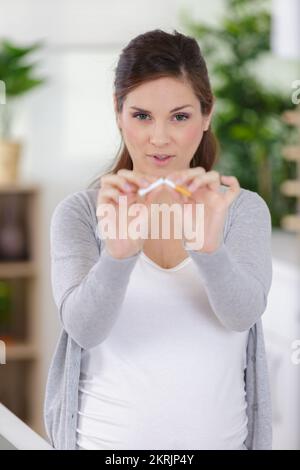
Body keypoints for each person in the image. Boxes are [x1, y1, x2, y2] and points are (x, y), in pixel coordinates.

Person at [44, 29, 273, 450]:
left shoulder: (241, 210)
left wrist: (209, 249)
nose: (160, 137)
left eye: (180, 117)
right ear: (118, 112)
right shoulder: (79, 213)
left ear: (206, 115)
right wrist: (116, 257)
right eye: (142, 115)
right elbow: (83, 330)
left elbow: (242, 315)